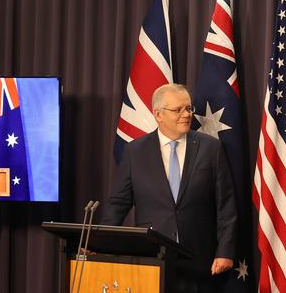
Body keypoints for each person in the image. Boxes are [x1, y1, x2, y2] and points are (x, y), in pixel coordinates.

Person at [101, 83, 237, 292]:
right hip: (151, 261)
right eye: (178, 110)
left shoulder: (211, 148)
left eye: (188, 108)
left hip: (199, 261)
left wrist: (225, 251)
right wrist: (100, 245)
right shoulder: (135, 151)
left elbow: (226, 207)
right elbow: (118, 204)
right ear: (158, 114)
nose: (186, 115)